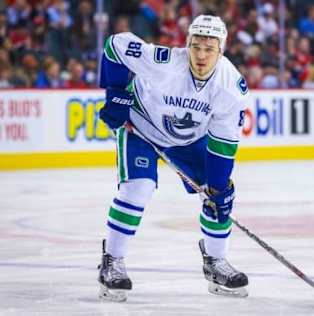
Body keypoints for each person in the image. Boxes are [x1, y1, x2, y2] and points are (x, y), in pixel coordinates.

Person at [97, 14, 250, 302]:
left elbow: (223, 144)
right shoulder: (164, 62)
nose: (201, 56)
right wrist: (115, 93)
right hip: (141, 128)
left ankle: (216, 262)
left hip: (188, 141)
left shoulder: (231, 87)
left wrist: (217, 188)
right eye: (196, 47)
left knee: (219, 193)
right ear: (187, 45)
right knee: (138, 189)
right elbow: (115, 45)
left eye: (209, 48)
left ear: (222, 50)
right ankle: (112, 261)